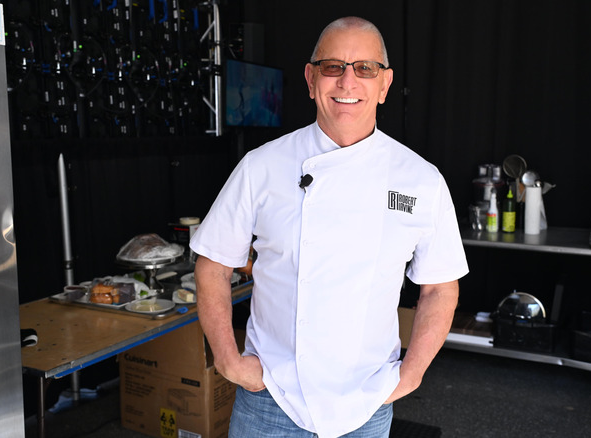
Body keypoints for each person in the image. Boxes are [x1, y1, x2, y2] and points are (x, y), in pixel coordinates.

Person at [190, 16, 468, 438]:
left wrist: (411, 374)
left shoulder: (420, 180)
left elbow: (440, 288)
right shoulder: (261, 166)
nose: (347, 82)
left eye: (364, 68)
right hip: (271, 397)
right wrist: (228, 359)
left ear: (384, 84)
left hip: (366, 400)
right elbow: (212, 264)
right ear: (311, 78)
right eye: (333, 66)